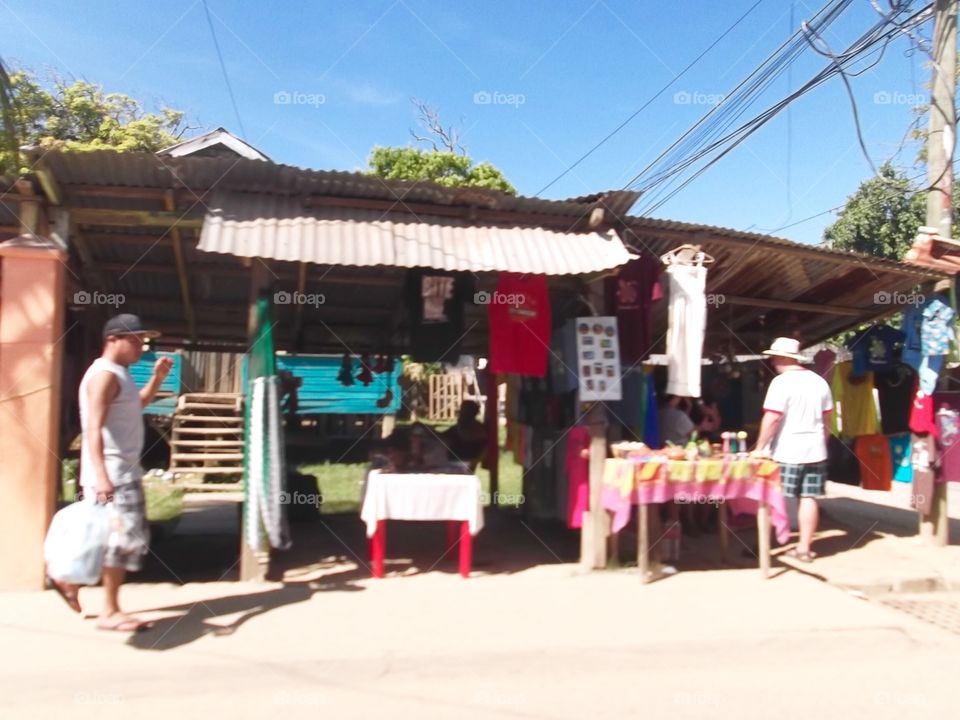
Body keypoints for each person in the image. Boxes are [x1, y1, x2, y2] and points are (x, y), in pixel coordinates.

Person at [51, 314, 172, 631]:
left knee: (110, 537)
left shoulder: (121, 374)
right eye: (135, 340)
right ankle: (110, 610)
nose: (141, 346)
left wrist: (157, 379)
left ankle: (69, 580)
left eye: (142, 340)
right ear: (113, 339)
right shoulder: (103, 376)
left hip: (122, 470)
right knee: (126, 538)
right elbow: (92, 427)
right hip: (114, 472)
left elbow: (135, 406)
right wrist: (102, 475)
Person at [754, 337, 833, 563]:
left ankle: (763, 545)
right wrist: (823, 442)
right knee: (809, 497)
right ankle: (804, 549)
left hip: (787, 450)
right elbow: (828, 421)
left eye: (773, 357)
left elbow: (772, 418)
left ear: (781, 358)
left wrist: (760, 447)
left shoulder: (781, 383)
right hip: (816, 449)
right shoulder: (819, 382)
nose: (772, 362)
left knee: (772, 497)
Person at [443, 400, 486, 470]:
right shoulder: (462, 427)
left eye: (462, 410)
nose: (459, 412)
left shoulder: (474, 429)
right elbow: (443, 435)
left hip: (460, 461)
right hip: (457, 460)